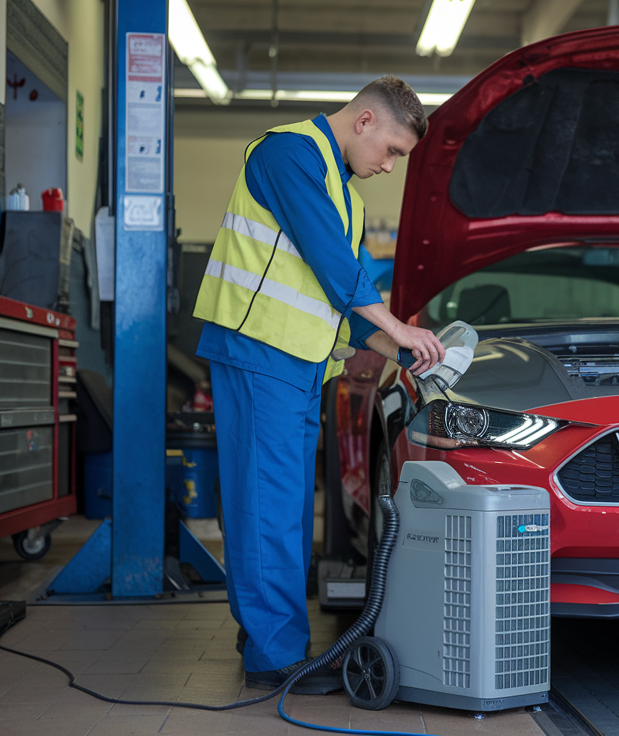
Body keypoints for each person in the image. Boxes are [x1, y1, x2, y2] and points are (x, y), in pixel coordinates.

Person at [192, 75, 445, 694]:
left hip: (302, 365)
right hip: (260, 352)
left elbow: (342, 312)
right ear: (363, 121)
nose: (389, 166)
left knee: (285, 507)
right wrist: (393, 324)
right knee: (268, 506)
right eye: (391, 150)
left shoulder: (347, 196)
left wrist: (403, 348)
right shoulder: (288, 153)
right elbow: (336, 267)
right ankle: (275, 656)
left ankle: (266, 636)